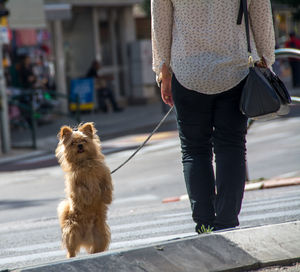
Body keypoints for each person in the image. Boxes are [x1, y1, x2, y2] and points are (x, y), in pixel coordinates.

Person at [151, 0, 275, 233]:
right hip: (234, 70)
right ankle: (227, 219)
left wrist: (163, 71)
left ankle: (204, 222)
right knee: (232, 146)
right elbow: (261, 14)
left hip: (188, 72)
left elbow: (160, 23)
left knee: (194, 150)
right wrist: (266, 59)